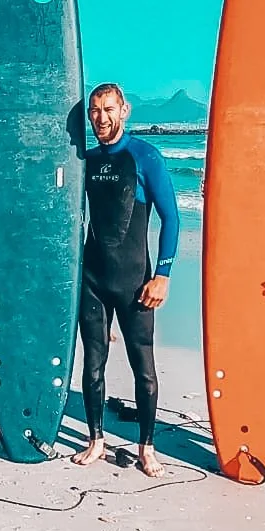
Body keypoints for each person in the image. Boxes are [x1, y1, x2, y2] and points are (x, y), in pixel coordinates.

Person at [72, 83, 180, 477]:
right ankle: (96, 440)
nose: (101, 118)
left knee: (143, 368)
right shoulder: (86, 159)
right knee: (94, 363)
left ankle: (147, 447)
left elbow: (172, 217)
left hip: (136, 282)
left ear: (125, 110)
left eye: (109, 109)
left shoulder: (145, 157)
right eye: (95, 111)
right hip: (93, 280)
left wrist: (162, 276)